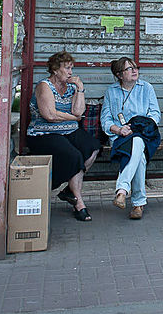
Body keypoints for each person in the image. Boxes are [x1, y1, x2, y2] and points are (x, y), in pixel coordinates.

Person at [27, 51, 102, 221]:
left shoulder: (71, 87)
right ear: (55, 69)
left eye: (71, 68)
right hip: (44, 133)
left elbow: (79, 111)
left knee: (92, 149)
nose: (70, 72)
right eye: (67, 68)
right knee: (73, 156)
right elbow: (50, 115)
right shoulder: (44, 86)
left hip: (69, 130)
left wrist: (80, 89)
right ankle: (79, 202)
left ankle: (69, 191)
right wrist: (73, 118)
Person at [101, 57, 162, 220]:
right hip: (121, 136)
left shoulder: (146, 88)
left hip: (146, 134)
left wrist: (141, 126)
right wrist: (119, 129)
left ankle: (122, 190)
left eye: (135, 67)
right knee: (139, 156)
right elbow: (105, 119)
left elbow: (155, 114)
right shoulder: (111, 91)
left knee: (137, 140)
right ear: (119, 75)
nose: (135, 71)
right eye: (129, 69)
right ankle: (137, 204)